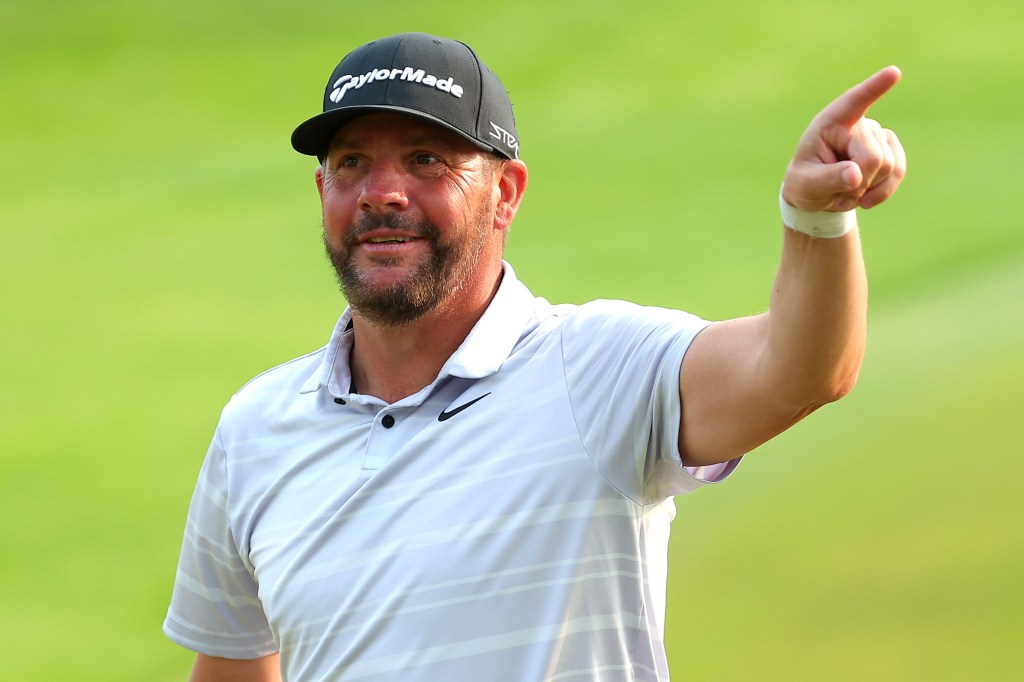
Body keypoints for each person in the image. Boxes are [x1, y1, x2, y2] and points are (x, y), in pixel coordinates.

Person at [163, 32, 906, 682]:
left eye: (427, 161)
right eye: (353, 163)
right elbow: (230, 662)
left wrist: (816, 216)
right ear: (323, 189)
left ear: (506, 193)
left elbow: (800, 369)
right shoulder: (256, 428)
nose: (381, 194)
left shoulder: (600, 369)